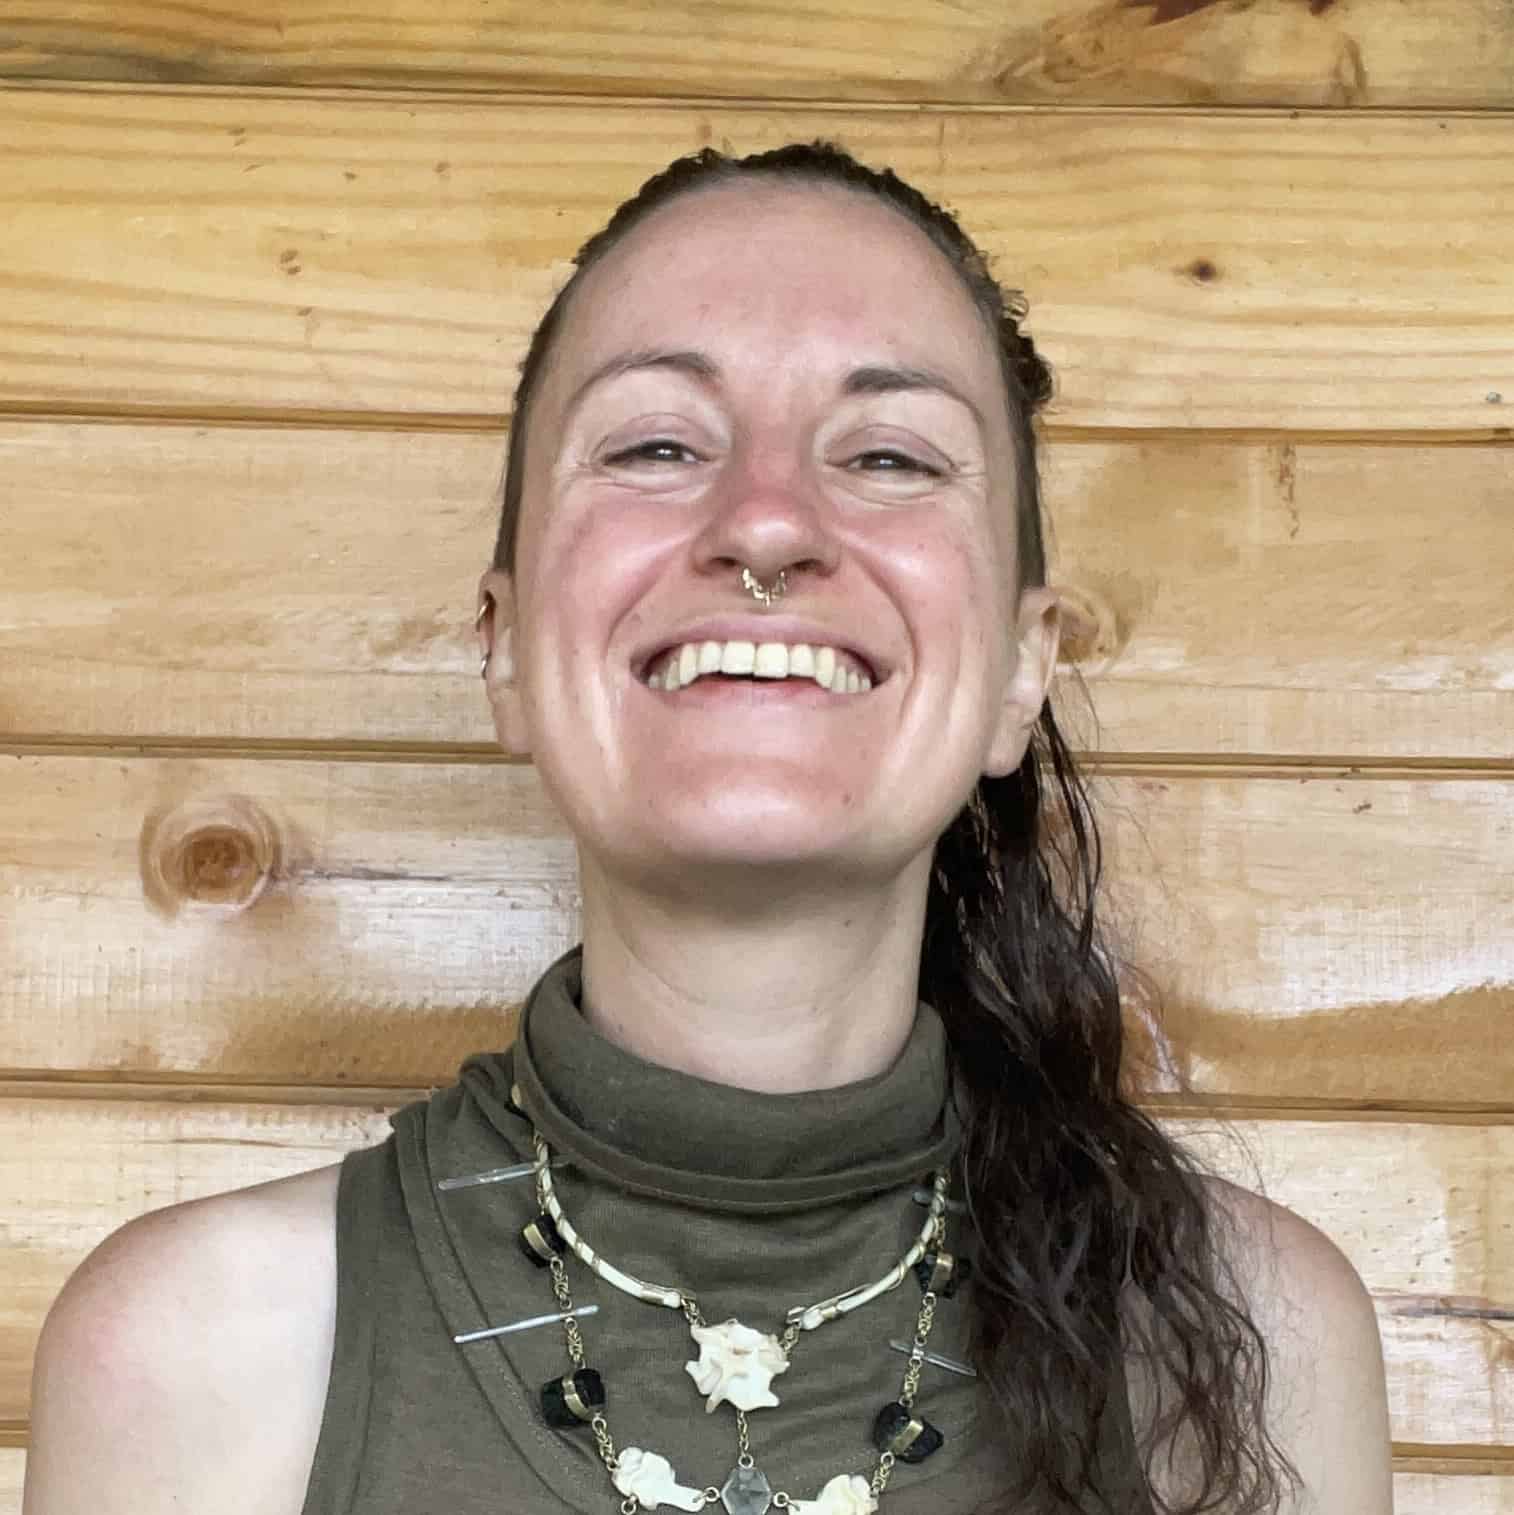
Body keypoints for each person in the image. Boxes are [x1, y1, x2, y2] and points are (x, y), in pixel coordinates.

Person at [24, 142, 1393, 1515]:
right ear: (502, 649)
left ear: (1018, 673)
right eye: (657, 443)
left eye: (887, 454)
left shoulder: (1240, 1344)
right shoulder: (198, 1356)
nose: (767, 523)